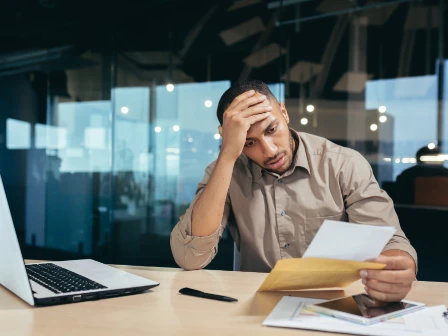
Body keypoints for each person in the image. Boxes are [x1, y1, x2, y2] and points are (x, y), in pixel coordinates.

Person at [170, 80, 417, 302]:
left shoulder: (344, 164)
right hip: (252, 305)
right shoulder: (225, 171)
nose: (269, 151)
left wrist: (397, 267)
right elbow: (190, 257)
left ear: (284, 113)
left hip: (332, 304)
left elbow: (390, 241)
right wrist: (227, 155)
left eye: (271, 130)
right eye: (249, 142)